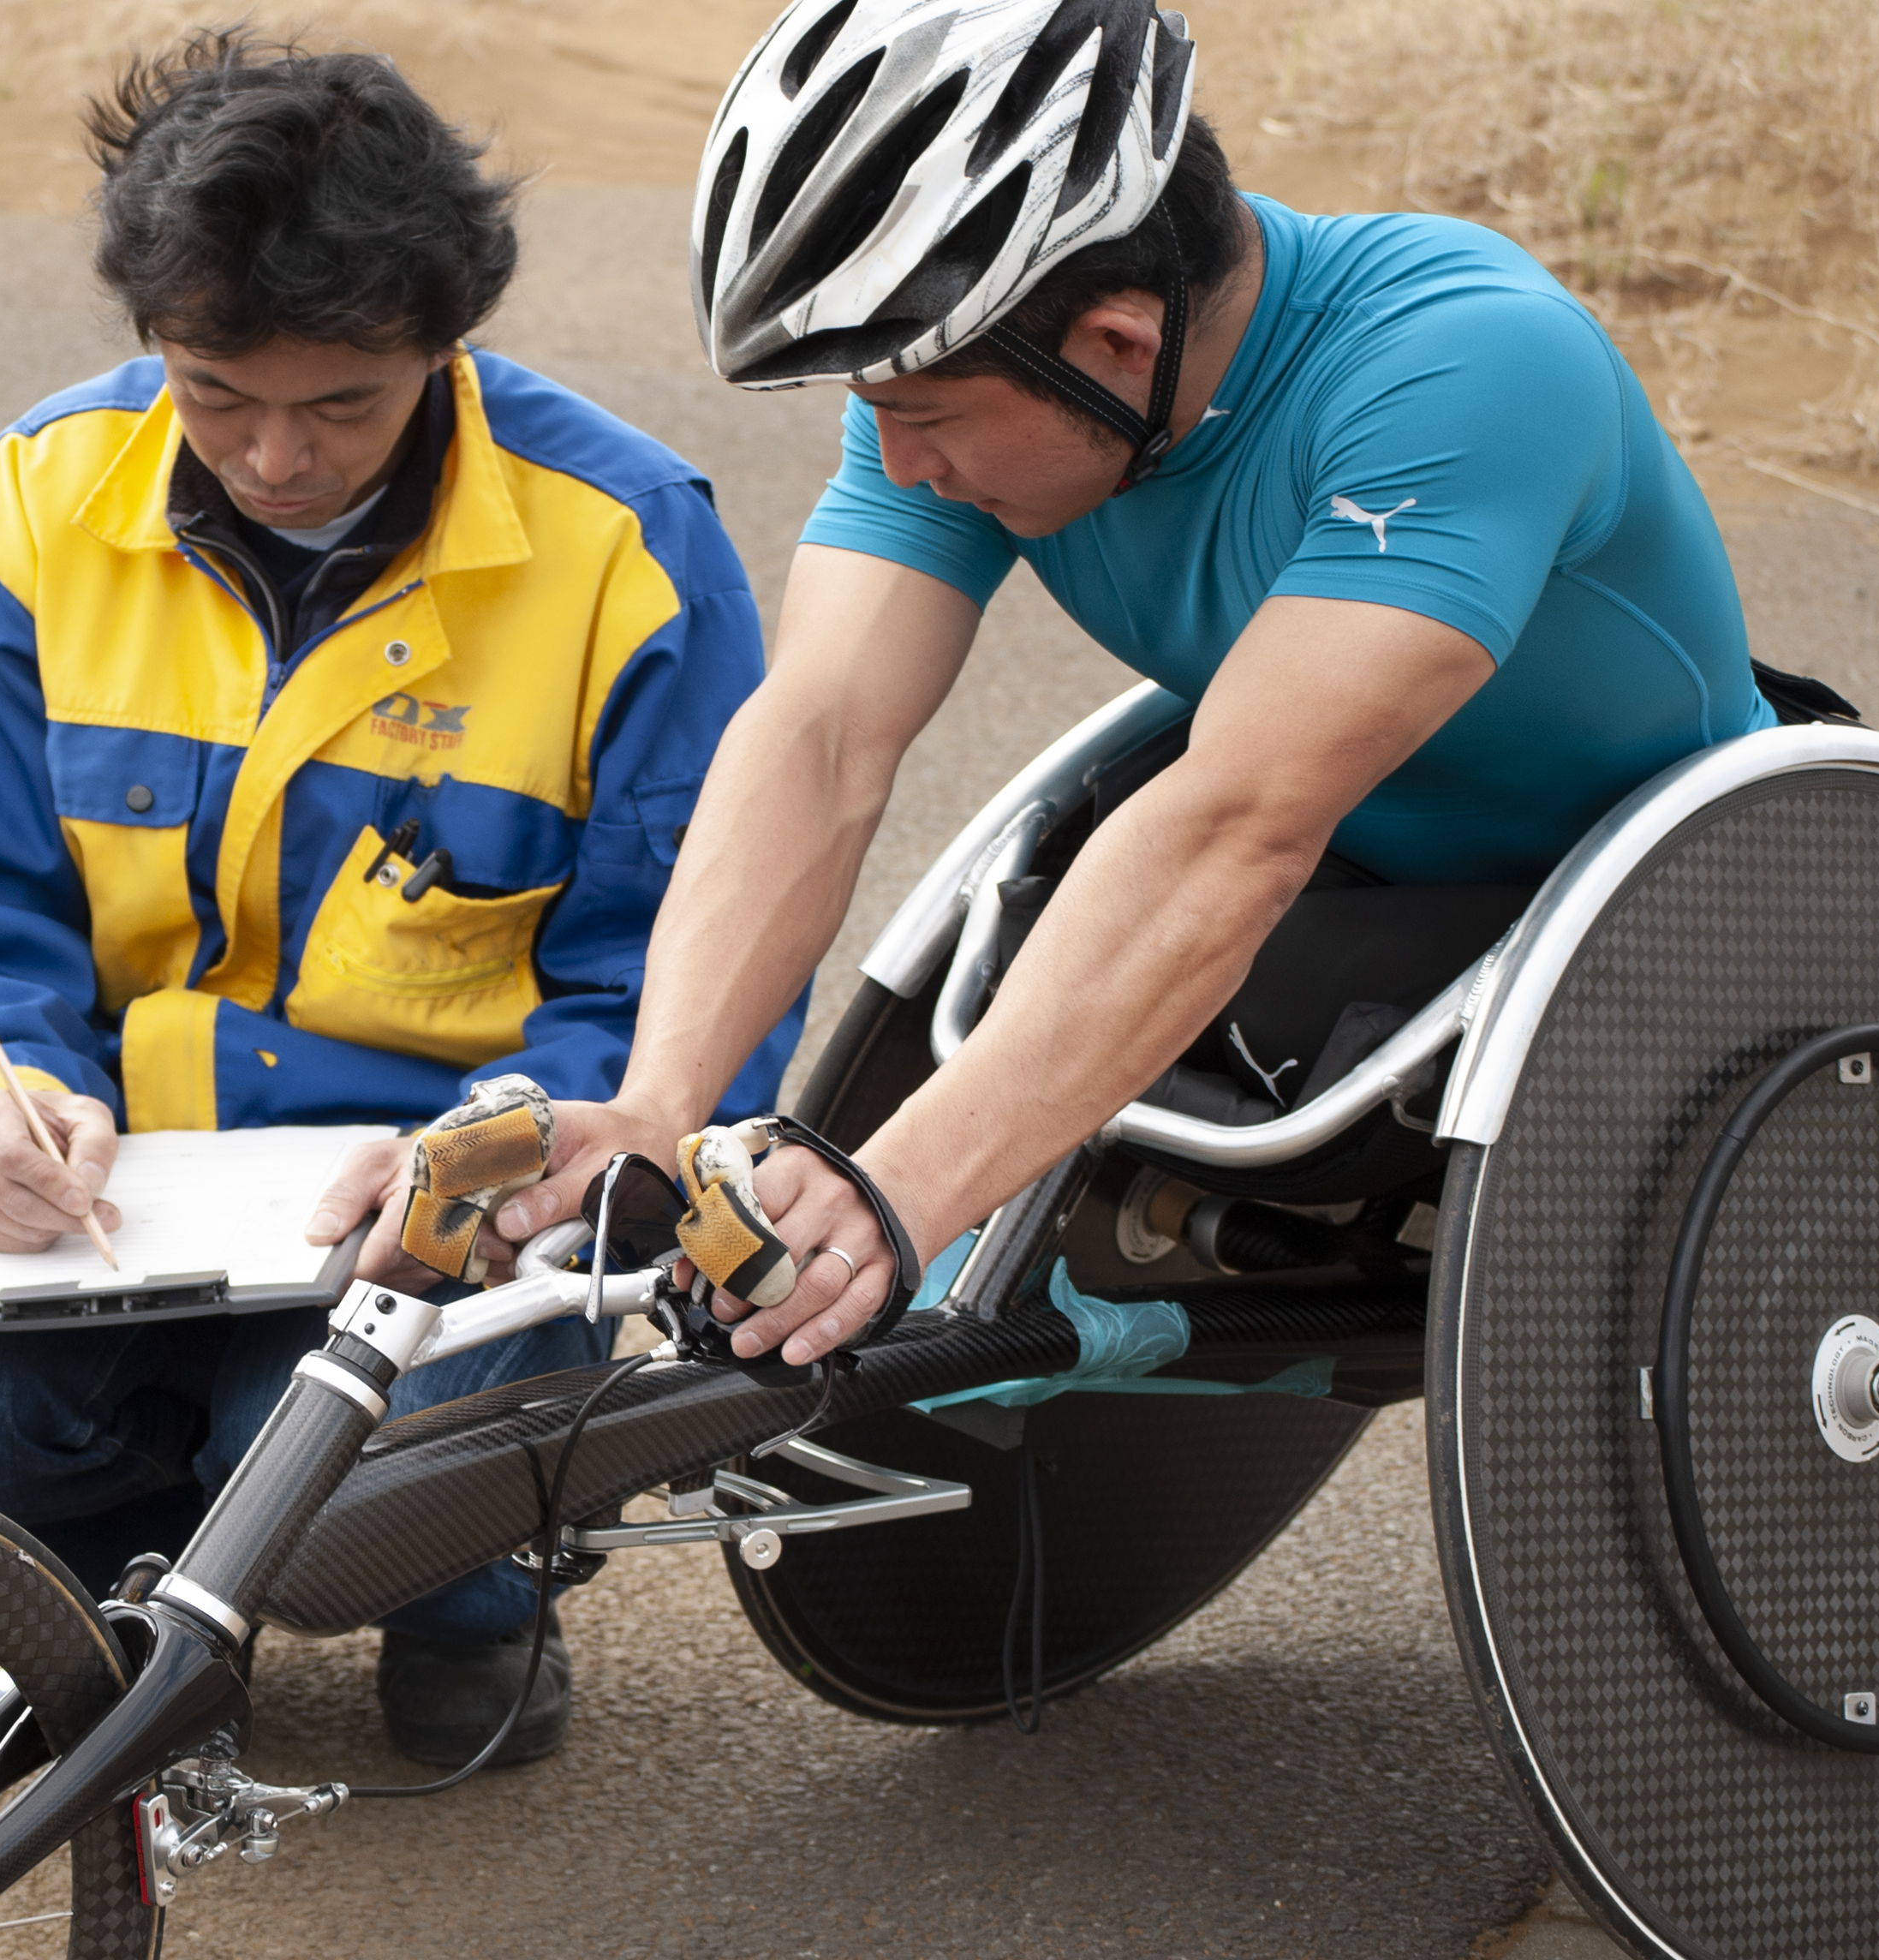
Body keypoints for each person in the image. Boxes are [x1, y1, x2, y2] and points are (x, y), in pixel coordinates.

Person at [492, 0, 1787, 1354]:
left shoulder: (1463, 364)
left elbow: (1236, 824)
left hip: (1673, 904)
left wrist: (898, 1192)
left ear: (1113, 344)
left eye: (922, 420)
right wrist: (657, 1104)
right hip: (1350, 897)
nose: (898, 459)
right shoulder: (985, 378)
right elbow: (821, 730)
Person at [0, 30, 797, 1767]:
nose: (273, 455)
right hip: (137, 1193)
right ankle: (115, 1628)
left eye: (342, 402)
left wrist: (520, 1158)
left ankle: (477, 1603)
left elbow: (692, 968)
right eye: (213, 393)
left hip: (460, 1205)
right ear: (149, 340)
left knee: (359, 1466)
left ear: (444, 341)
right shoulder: (33, 505)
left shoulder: (623, 544)